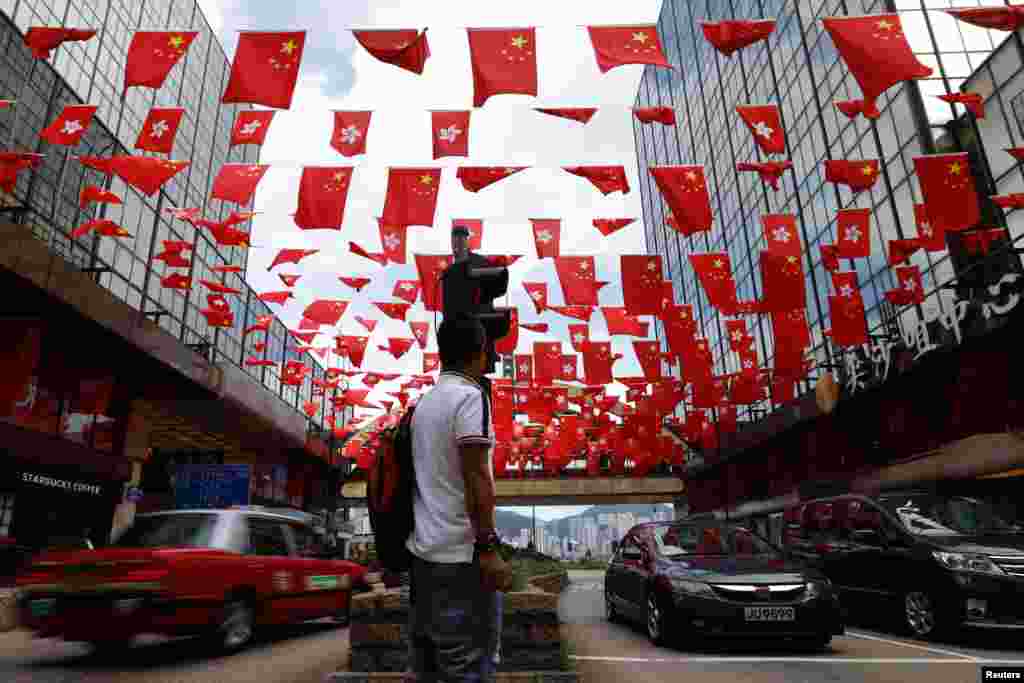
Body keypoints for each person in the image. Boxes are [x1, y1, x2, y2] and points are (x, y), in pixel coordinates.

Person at [406, 314, 513, 682]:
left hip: (423, 558)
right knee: (469, 666)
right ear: (481, 353)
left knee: (430, 668)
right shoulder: (471, 398)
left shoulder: (424, 405)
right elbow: (476, 475)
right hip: (462, 561)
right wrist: (487, 547)